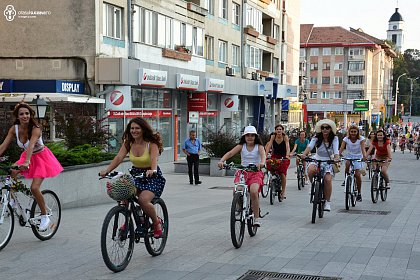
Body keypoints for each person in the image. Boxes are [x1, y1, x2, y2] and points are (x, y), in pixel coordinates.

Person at [0, 102, 63, 231]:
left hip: (41, 158)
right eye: (21, 114)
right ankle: (13, 202)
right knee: (11, 173)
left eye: (27, 113)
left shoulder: (36, 128)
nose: (25, 116)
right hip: (26, 157)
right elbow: (3, 146)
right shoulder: (14, 129)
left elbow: (31, 145)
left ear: (30, 115)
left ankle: (45, 216)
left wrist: (27, 162)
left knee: (34, 188)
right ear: (17, 116)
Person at [99, 117, 166, 238]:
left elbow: (153, 159)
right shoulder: (129, 143)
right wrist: (107, 170)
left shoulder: (152, 143)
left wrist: (153, 169)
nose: (134, 131)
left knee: (143, 200)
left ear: (143, 129)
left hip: (151, 176)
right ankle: (129, 220)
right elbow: (119, 158)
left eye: (137, 128)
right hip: (136, 175)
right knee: (124, 194)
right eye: (132, 128)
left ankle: (156, 223)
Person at [217, 126, 266, 226]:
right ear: (244, 136)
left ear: (255, 137)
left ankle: (256, 217)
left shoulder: (259, 147)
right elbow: (230, 153)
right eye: (247, 135)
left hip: (255, 172)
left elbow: (263, 156)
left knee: (253, 191)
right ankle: (239, 207)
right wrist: (222, 161)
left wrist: (262, 163)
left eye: (252, 135)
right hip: (243, 172)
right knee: (236, 190)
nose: (250, 137)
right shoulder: (241, 146)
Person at [299, 119, 340, 212]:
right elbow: (310, 146)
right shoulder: (316, 137)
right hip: (317, 158)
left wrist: (336, 157)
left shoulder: (334, 138)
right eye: (323, 128)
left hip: (328, 161)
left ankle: (327, 202)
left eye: (327, 128)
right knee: (310, 170)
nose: (325, 129)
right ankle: (312, 184)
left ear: (331, 129)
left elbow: (336, 150)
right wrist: (304, 154)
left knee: (328, 180)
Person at [339, 125, 367, 202]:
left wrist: (364, 156)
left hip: (358, 157)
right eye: (352, 131)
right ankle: (346, 179)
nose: (353, 133)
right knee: (347, 164)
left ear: (358, 132)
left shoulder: (361, 139)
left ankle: (359, 193)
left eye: (355, 132)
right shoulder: (346, 139)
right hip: (349, 156)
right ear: (349, 132)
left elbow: (363, 149)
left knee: (357, 175)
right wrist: (338, 154)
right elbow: (341, 148)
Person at [265, 124, 290, 200]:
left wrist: (287, 155)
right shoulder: (273, 136)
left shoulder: (285, 137)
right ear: (275, 130)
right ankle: (273, 179)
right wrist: (265, 155)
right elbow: (269, 145)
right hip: (275, 156)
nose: (279, 131)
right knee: (270, 165)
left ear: (282, 130)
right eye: (277, 129)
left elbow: (287, 146)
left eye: (280, 129)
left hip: (283, 157)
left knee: (282, 173)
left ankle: (283, 191)